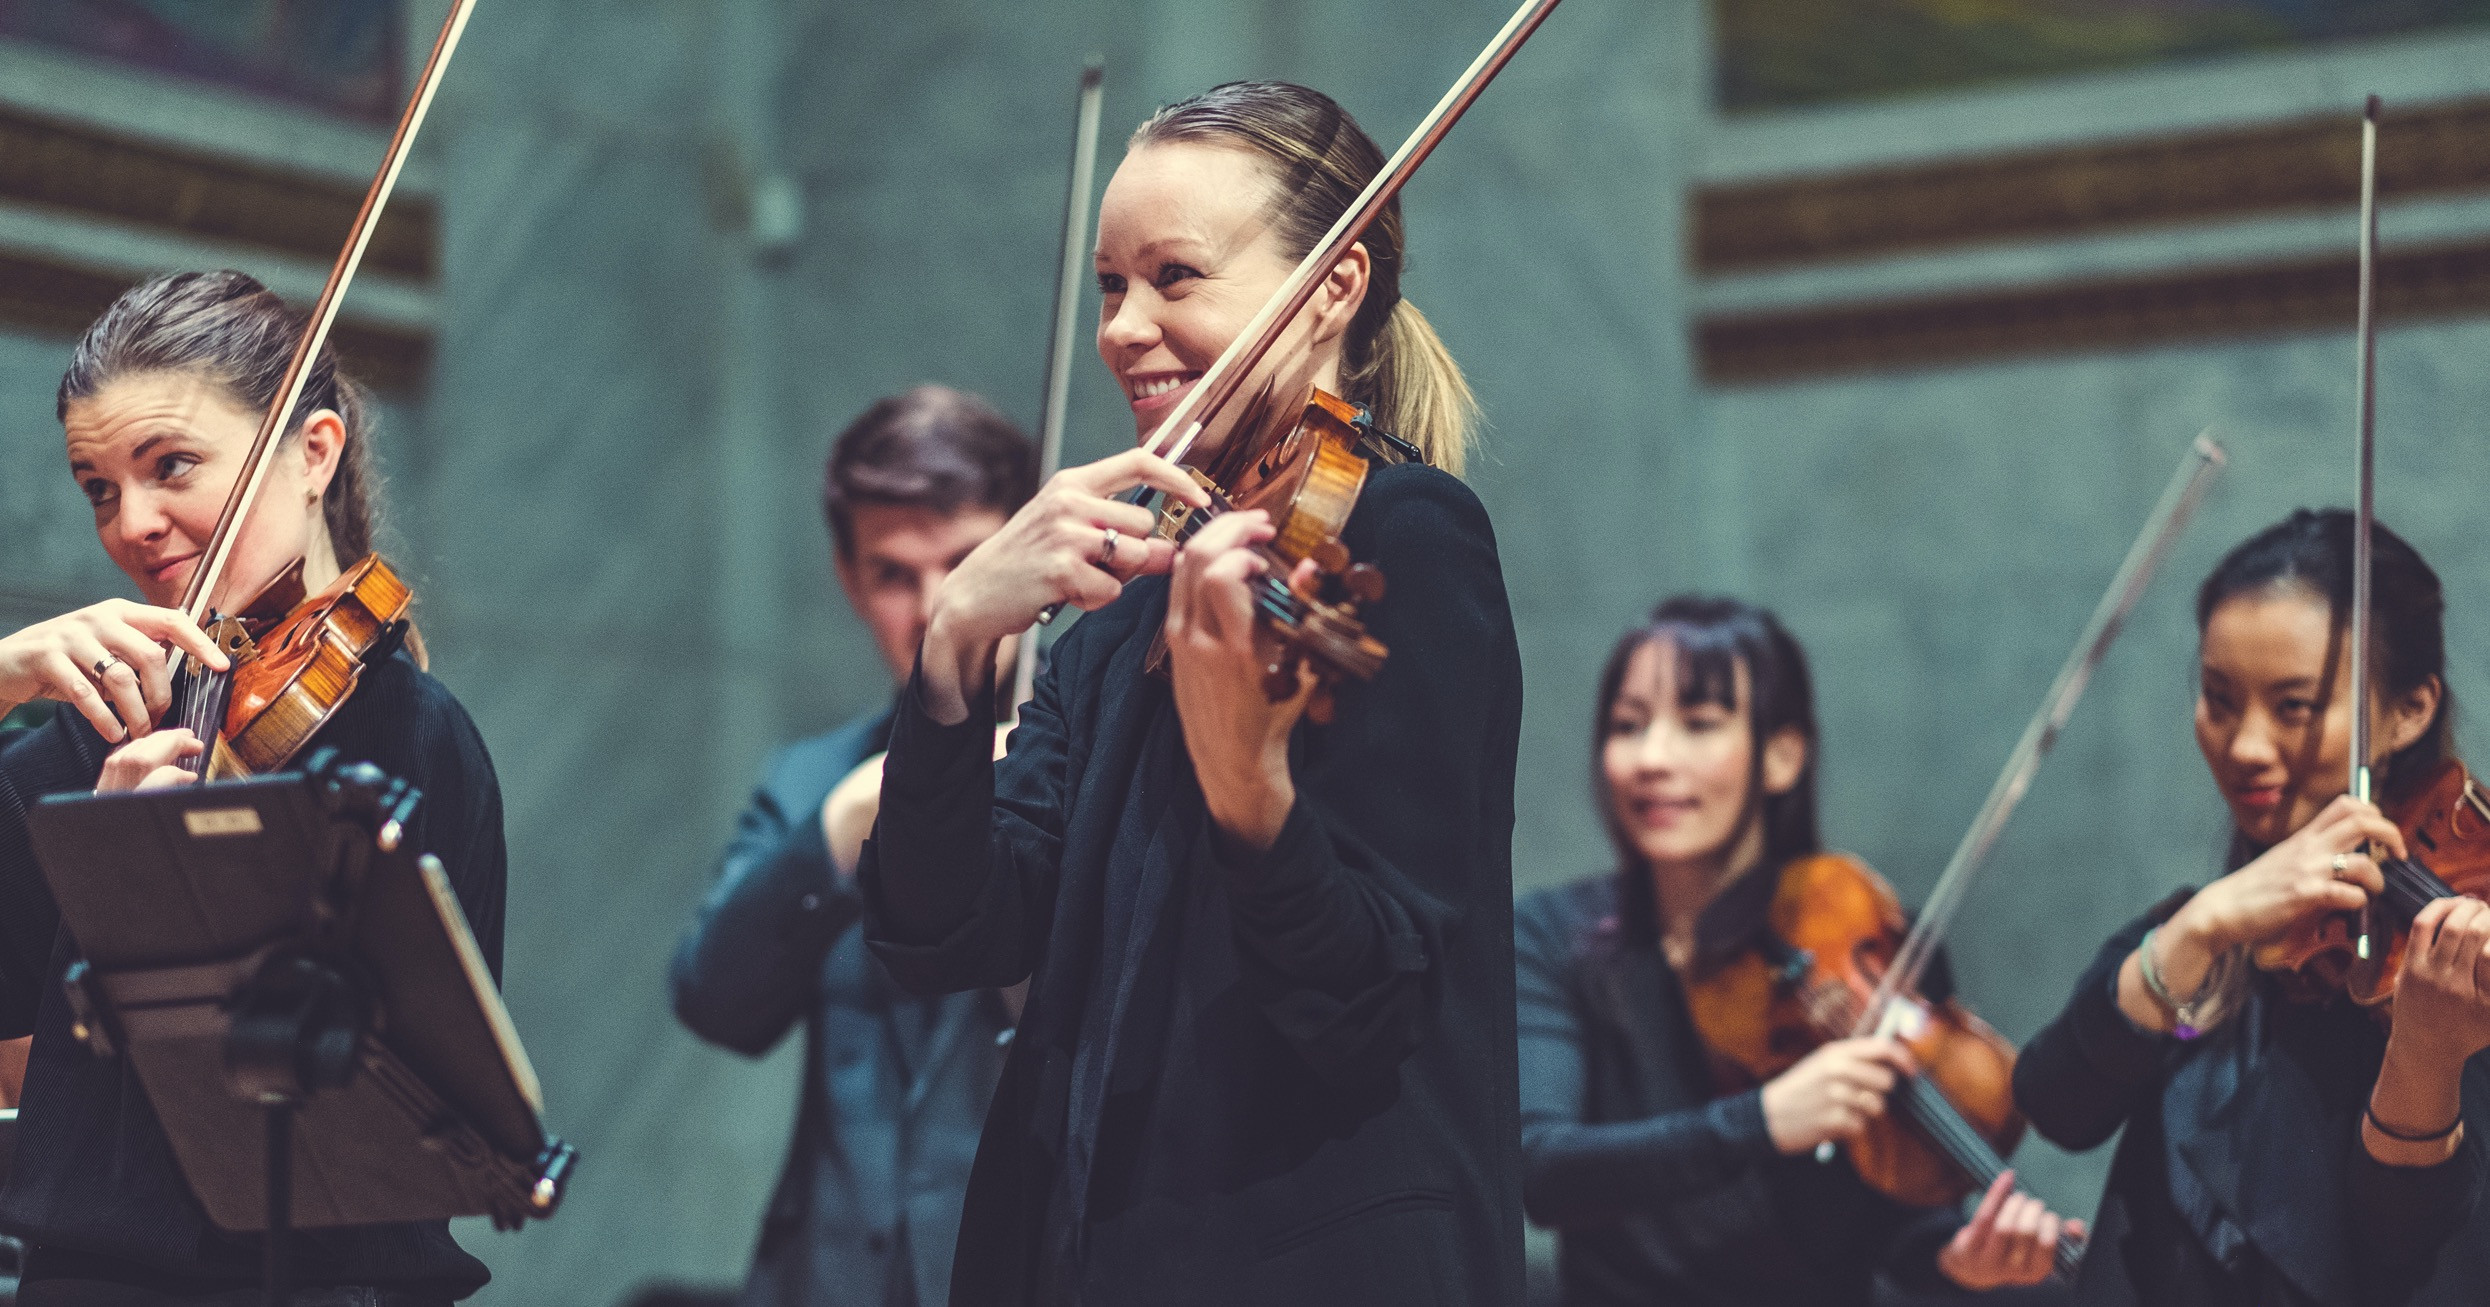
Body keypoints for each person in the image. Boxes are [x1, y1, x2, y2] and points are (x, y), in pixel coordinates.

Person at [857, 81, 1525, 1306]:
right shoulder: (1125, 605)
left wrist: (1247, 784)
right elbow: (947, 930)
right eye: (1112, 285)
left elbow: (1365, 997)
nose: (1122, 326)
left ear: (1335, 285)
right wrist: (954, 642)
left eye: (1176, 276)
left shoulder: (1406, 535)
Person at [0, 270, 506, 1306]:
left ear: (312, 453)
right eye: (99, 485)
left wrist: (140, 876)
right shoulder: (82, 739)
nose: (131, 522)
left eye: (170, 465)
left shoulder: (405, 733)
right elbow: (20, 1069)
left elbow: (361, 1112)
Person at [1515, 596, 2078, 1305]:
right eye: (1629, 726)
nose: (1653, 757)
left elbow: (1899, 1224)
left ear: (1782, 754)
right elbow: (1544, 1171)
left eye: (1698, 723)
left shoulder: (1867, 938)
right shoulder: (1552, 935)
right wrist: (1765, 1120)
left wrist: (1958, 1259)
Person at [2015, 509, 2489, 1307]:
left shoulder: (2450, 940)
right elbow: (2056, 1100)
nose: (2245, 745)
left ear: (2409, 709)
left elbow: (2399, 1251)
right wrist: (2206, 923)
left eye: (2294, 705)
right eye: (2219, 698)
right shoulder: (2211, 932)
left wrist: (2428, 1054)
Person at [670, 385, 1035, 1307]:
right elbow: (715, 1002)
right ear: (848, 580)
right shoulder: (813, 779)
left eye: (964, 562)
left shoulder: (1078, 770)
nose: (934, 608)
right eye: (892, 575)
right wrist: (844, 821)